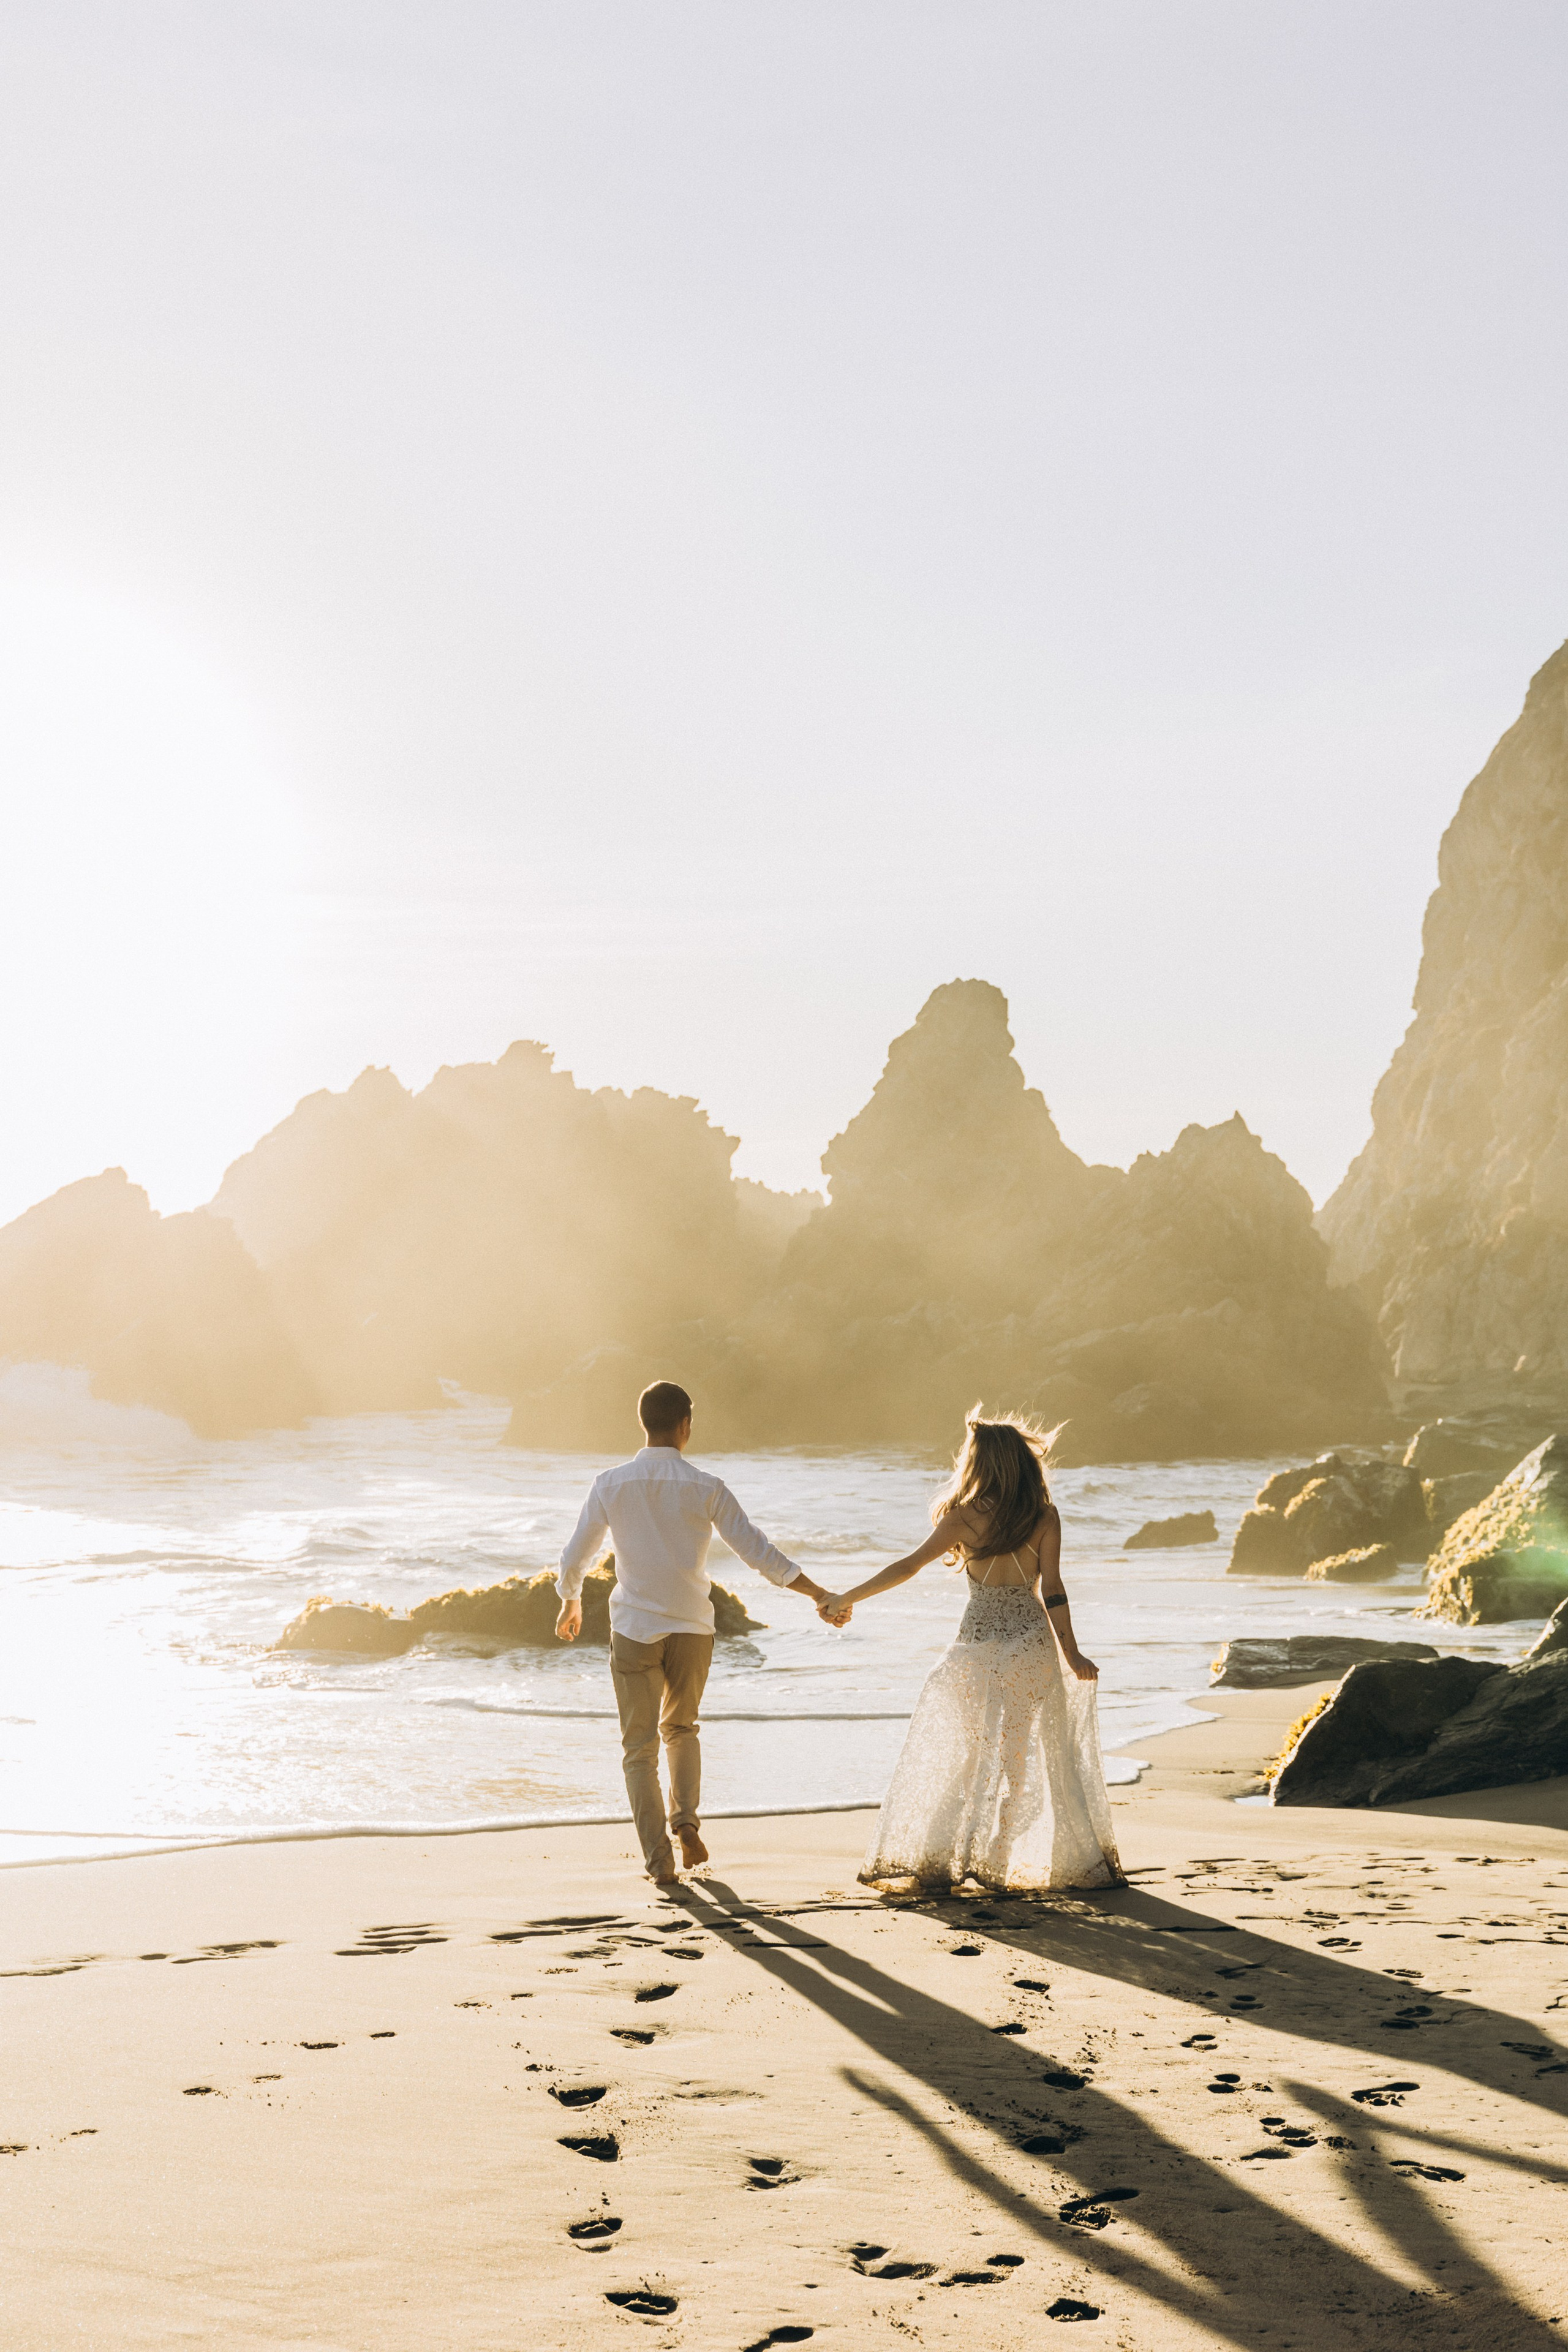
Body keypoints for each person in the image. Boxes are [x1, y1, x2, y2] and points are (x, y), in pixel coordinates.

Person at [555, 1380, 848, 1887]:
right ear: (686, 1425)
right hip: (692, 1627)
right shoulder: (706, 1486)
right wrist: (818, 1593)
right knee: (682, 1729)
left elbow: (576, 1553)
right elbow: (758, 1551)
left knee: (639, 1749)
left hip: (635, 1630)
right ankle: (686, 1822)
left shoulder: (610, 1483)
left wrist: (570, 1598)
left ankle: (659, 1860)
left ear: (643, 1422)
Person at [817, 1410, 1123, 1894]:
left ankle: (947, 1859)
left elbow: (908, 1567)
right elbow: (1054, 1590)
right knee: (1015, 1759)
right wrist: (1073, 1655)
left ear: (982, 1463)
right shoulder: (1043, 1516)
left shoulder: (963, 1516)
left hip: (975, 1648)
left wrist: (846, 1598)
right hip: (1029, 1645)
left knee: (969, 1755)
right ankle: (996, 1859)